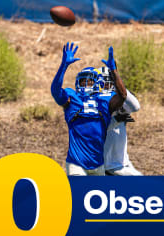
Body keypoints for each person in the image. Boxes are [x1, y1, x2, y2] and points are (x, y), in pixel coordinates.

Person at [51, 42, 127, 176]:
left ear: (99, 83)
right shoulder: (72, 98)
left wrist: (114, 71)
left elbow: (123, 95)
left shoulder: (105, 100)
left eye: (90, 81)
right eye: (82, 81)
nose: (86, 84)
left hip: (98, 163)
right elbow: (56, 91)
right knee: (80, 195)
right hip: (76, 163)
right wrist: (63, 66)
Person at [98, 67, 143, 176]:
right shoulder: (95, 102)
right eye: (104, 81)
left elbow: (135, 106)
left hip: (122, 160)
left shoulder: (117, 99)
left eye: (110, 80)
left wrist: (120, 87)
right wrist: (116, 120)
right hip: (109, 164)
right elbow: (97, 128)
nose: (108, 84)